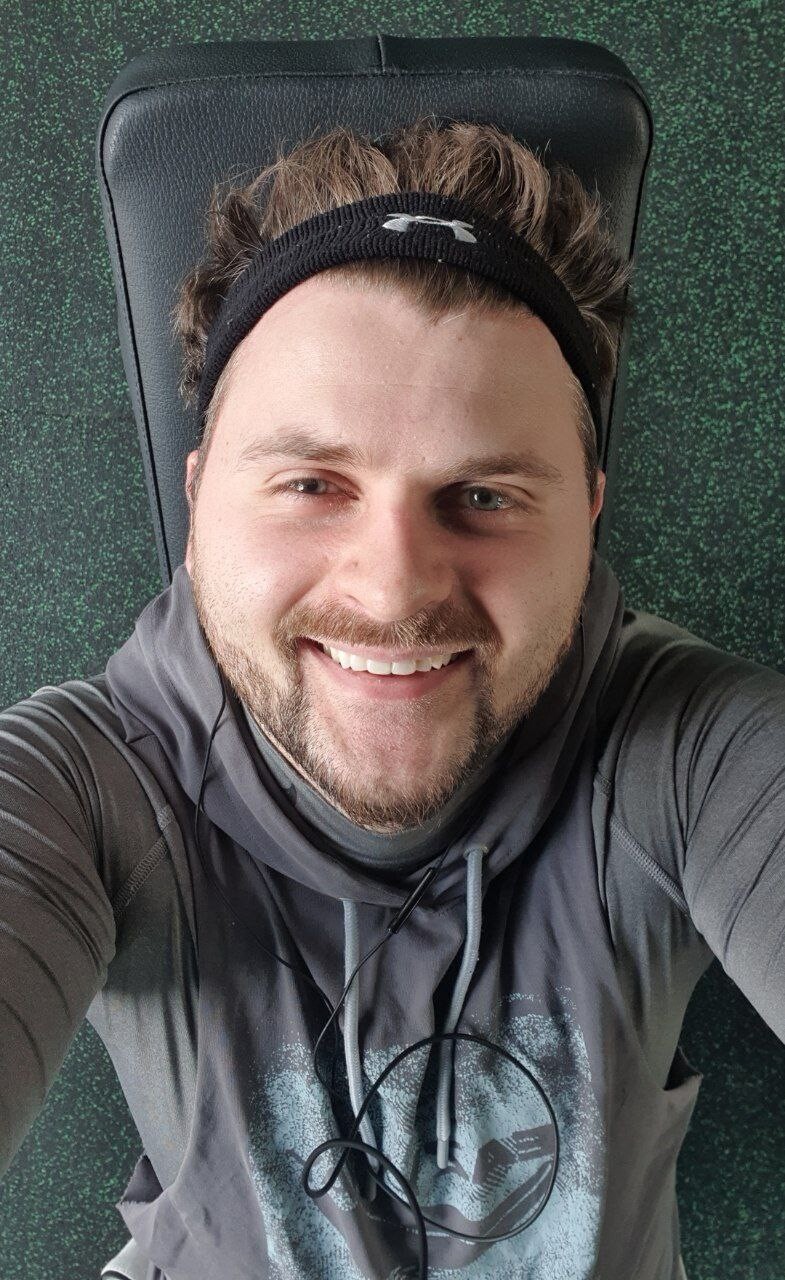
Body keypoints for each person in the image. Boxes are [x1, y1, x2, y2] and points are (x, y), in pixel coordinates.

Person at [0, 116, 782, 1280]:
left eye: (483, 495)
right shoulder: (83, 777)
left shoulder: (690, 750)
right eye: (312, 483)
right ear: (201, 499)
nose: (392, 587)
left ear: (586, 513)